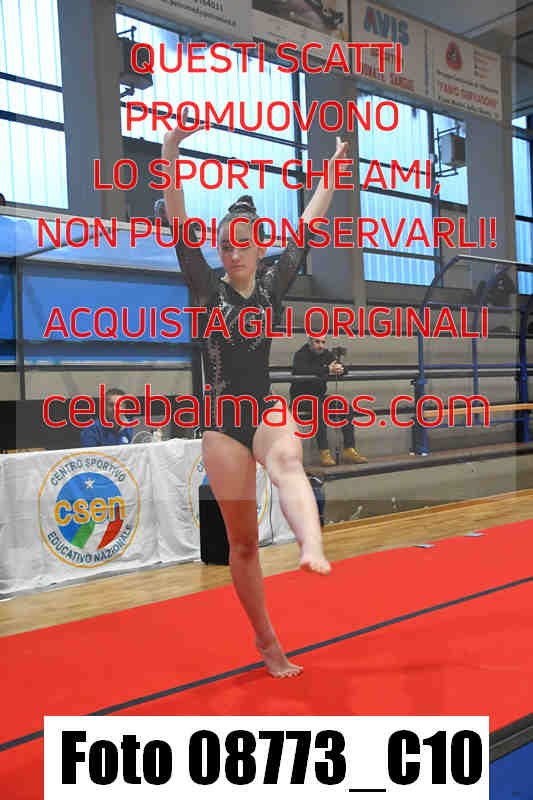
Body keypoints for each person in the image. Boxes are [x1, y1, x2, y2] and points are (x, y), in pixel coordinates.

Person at [162, 117, 348, 678]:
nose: (232, 253)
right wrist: (170, 149)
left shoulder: (272, 284)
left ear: (258, 245)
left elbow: (310, 222)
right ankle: (266, 640)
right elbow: (178, 221)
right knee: (241, 545)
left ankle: (311, 545)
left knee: (289, 458)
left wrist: (332, 171)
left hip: (264, 408)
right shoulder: (205, 287)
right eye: (224, 245)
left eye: (242, 244)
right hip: (222, 422)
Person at [290, 335, 368, 467]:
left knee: (345, 406)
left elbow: (342, 367)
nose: (321, 345)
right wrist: (327, 369)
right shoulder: (301, 354)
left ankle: (349, 449)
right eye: (317, 342)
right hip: (301, 398)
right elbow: (301, 370)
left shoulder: (325, 354)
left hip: (319, 396)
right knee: (319, 407)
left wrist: (340, 369)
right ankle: (324, 452)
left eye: (323, 342)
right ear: (309, 342)